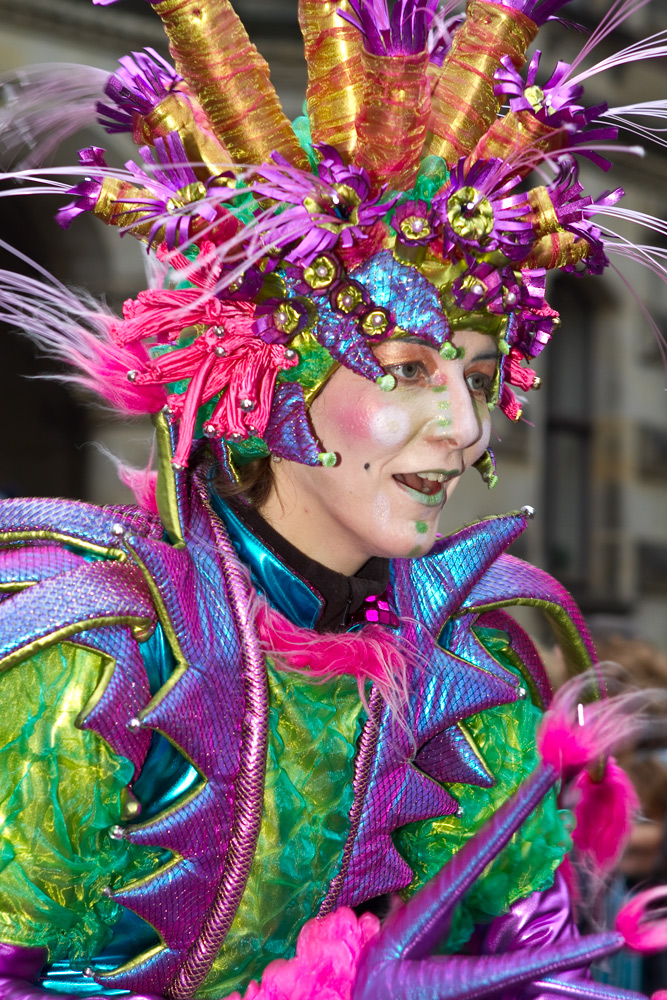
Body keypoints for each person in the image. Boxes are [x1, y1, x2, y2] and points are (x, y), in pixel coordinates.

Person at [0, 0, 666, 998]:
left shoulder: (466, 672)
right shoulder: (95, 664)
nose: (468, 427)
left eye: (477, 377)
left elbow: (533, 961)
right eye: (404, 369)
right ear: (263, 376)